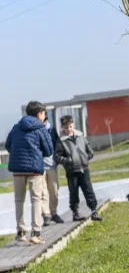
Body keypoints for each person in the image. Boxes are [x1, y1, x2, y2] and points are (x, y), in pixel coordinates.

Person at [6, 101, 54, 244]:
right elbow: (49, 150)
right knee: (36, 199)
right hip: (34, 169)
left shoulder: (16, 127)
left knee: (19, 200)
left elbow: (8, 145)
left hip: (17, 169)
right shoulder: (41, 128)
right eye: (44, 113)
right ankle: (36, 233)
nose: (44, 116)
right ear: (39, 113)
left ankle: (20, 232)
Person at [54, 115, 101, 221]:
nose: (68, 129)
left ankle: (94, 211)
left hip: (84, 169)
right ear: (62, 127)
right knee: (73, 192)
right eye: (66, 127)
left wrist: (86, 157)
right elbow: (57, 156)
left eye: (70, 126)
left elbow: (89, 150)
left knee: (88, 190)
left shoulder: (80, 136)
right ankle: (75, 213)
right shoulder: (61, 141)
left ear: (73, 125)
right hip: (72, 171)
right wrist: (68, 161)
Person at [41, 115, 64, 226]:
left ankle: (53, 213)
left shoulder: (53, 131)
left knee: (54, 191)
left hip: (52, 166)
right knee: (43, 193)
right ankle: (46, 215)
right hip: (40, 167)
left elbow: (58, 145)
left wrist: (58, 159)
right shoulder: (36, 131)